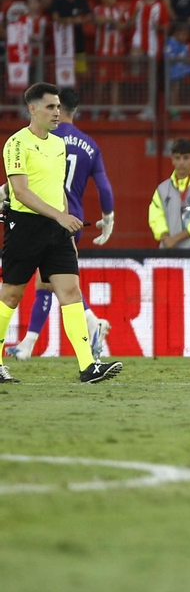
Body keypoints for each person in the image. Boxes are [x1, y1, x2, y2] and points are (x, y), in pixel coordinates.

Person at [0, 83, 122, 383]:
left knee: (71, 292)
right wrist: (61, 216)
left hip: (57, 231)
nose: (57, 112)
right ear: (32, 109)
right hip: (25, 227)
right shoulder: (16, 144)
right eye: (50, 107)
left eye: (58, 107)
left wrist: (65, 224)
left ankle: (88, 366)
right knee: (11, 296)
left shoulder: (58, 144)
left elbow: (58, 190)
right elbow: (20, 191)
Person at [148, 137, 190, 250]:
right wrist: (165, 237)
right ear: (172, 160)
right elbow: (156, 218)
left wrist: (175, 239)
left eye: (186, 158)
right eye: (177, 158)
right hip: (170, 255)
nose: (181, 162)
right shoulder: (162, 189)